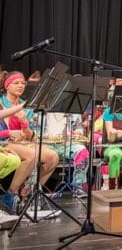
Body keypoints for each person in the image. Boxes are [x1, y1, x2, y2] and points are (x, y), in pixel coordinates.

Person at [0, 71, 59, 213]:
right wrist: (9, 133)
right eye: (16, 83)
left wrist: (24, 123)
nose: (20, 86)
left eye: (23, 83)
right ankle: (10, 195)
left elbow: (31, 135)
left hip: (23, 143)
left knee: (52, 156)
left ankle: (29, 193)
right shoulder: (1, 104)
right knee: (32, 155)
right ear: (7, 86)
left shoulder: (26, 107)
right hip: (4, 141)